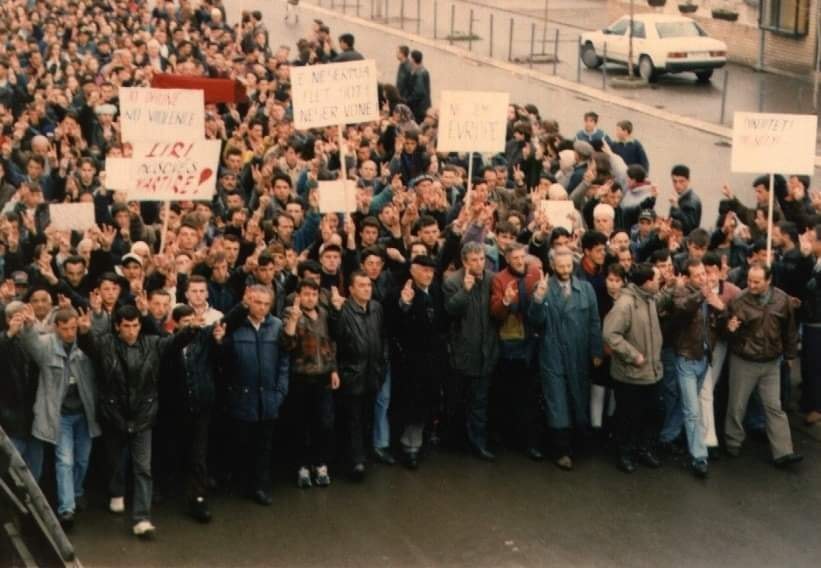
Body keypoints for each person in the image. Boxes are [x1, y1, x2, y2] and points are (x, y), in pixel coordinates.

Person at [77, 304, 199, 539]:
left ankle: (142, 519)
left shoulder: (152, 343)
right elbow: (89, 346)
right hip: (115, 415)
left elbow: (173, 343)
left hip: (144, 414)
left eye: (135, 326)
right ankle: (116, 491)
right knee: (115, 461)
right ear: (117, 327)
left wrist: (190, 330)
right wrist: (84, 332)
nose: (131, 331)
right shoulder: (105, 344)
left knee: (143, 468)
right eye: (126, 327)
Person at [19, 305, 100, 528]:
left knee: (83, 459)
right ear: (56, 328)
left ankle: (76, 491)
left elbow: (99, 344)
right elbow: (31, 342)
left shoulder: (83, 346)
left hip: (84, 414)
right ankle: (67, 509)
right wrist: (29, 325)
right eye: (65, 329)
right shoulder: (47, 346)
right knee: (65, 460)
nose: (70, 333)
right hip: (60, 416)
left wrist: (91, 325)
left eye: (73, 328)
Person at [529, 249, 603, 470]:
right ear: (552, 266)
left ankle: (578, 444)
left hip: (579, 354)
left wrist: (596, 350)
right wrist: (538, 298)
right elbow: (535, 321)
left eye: (568, 266)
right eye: (560, 267)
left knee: (578, 398)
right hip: (552, 354)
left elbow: (594, 322)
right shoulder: (543, 289)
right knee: (557, 402)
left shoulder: (586, 289)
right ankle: (561, 450)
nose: (565, 271)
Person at [724, 263, 803, 468]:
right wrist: (730, 329)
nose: (751, 285)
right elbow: (725, 330)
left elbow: (790, 330)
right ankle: (733, 442)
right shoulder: (739, 300)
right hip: (744, 361)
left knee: (774, 407)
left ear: (768, 281)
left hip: (771, 363)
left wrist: (790, 354)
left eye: (757, 282)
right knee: (737, 405)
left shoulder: (782, 300)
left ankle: (784, 452)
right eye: (750, 280)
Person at [221, 285, 290, 504]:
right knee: (242, 442)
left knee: (264, 446)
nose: (261, 307)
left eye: (266, 304)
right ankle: (241, 482)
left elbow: (284, 362)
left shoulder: (277, 325)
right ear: (248, 302)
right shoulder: (235, 326)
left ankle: (260, 487)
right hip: (242, 396)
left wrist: (280, 391)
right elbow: (222, 358)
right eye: (257, 302)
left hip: (268, 397)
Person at [603, 263, 664, 473]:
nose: (660, 281)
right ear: (647, 282)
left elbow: (665, 298)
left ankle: (643, 449)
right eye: (657, 278)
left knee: (651, 414)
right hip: (631, 375)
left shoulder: (650, 299)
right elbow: (610, 335)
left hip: (651, 373)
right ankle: (625, 454)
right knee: (629, 417)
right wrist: (633, 355)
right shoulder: (625, 304)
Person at [442, 242, 500, 460]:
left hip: (487, 351)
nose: (479, 264)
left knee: (480, 402)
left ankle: (478, 443)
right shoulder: (452, 281)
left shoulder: (492, 279)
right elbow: (450, 310)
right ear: (465, 261)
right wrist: (465, 291)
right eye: (474, 260)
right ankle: (455, 441)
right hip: (462, 351)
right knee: (457, 400)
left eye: (482, 259)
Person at [390, 255, 448, 469]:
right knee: (412, 404)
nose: (429, 274)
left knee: (428, 402)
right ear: (413, 270)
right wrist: (403, 304)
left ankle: (421, 441)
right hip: (411, 360)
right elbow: (394, 323)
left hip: (433, 358)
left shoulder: (435, 291)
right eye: (424, 270)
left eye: (431, 271)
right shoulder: (402, 291)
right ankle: (409, 447)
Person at [670, 260, 726, 478]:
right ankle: (699, 456)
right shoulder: (682, 293)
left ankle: (667, 435)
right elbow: (683, 308)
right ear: (687, 278)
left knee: (686, 404)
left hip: (704, 358)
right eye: (698, 276)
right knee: (692, 411)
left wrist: (721, 310)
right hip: (686, 358)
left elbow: (720, 322)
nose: (703, 278)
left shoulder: (710, 295)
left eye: (704, 273)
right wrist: (702, 295)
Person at [282, 279, 340, 488]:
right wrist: (292, 322)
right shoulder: (291, 313)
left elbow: (330, 344)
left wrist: (333, 369)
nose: (310, 298)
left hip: (323, 376)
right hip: (300, 377)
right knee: (301, 424)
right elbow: (286, 344)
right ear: (299, 295)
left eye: (314, 294)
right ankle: (302, 466)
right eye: (306, 294)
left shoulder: (323, 314)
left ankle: (320, 463)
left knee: (324, 423)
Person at [490, 243, 544, 460]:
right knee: (509, 393)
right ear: (507, 259)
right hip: (511, 344)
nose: (520, 261)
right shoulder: (499, 279)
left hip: (533, 342)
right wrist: (506, 301)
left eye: (523, 256)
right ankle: (508, 438)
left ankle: (529, 441)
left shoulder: (535, 274)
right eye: (515, 257)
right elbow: (495, 313)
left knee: (530, 396)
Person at [330, 271, 386, 479]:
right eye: (361, 285)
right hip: (352, 374)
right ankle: (355, 461)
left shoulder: (376, 308)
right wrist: (339, 371)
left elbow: (382, 338)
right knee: (352, 420)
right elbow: (334, 340)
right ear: (351, 289)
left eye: (368, 285)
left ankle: (362, 455)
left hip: (372, 373)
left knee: (367, 417)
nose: (366, 289)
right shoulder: (343, 310)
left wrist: (381, 366)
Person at [0, 302, 42, 480]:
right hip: (10, 414)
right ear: (8, 319)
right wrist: (9, 334)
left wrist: (32, 329)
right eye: (18, 317)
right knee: (12, 466)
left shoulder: (34, 338)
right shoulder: (4, 341)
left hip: (35, 414)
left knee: (35, 465)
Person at [668, 165, 702, 235]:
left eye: (681, 181)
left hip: (686, 243)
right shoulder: (681, 197)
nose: (677, 185)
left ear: (688, 181)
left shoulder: (691, 200)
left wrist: (675, 207)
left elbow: (689, 227)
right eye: (674, 181)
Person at [407, 50, 431, 123]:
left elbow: (419, 92)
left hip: (418, 109)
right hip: (424, 106)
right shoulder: (423, 71)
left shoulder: (419, 73)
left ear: (413, 60)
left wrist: (407, 100)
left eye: (410, 58)